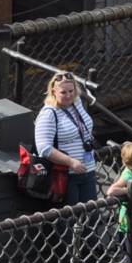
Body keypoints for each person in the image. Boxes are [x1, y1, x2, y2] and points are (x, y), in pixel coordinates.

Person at [35, 73, 98, 202]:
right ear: (54, 91)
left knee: (92, 215)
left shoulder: (76, 102)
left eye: (71, 90)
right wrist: (71, 162)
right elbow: (44, 148)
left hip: (88, 169)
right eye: (63, 92)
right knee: (68, 217)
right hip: (66, 175)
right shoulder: (49, 113)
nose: (69, 95)